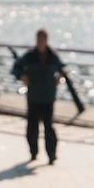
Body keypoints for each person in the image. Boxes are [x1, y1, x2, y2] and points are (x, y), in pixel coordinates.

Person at [10, 28, 66, 165]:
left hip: (48, 97)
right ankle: (33, 152)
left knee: (49, 127)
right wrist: (21, 76)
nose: (40, 42)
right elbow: (15, 68)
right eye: (38, 39)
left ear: (46, 40)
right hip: (34, 97)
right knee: (32, 127)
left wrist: (60, 77)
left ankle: (51, 155)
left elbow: (62, 69)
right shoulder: (29, 56)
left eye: (43, 39)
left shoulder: (53, 56)